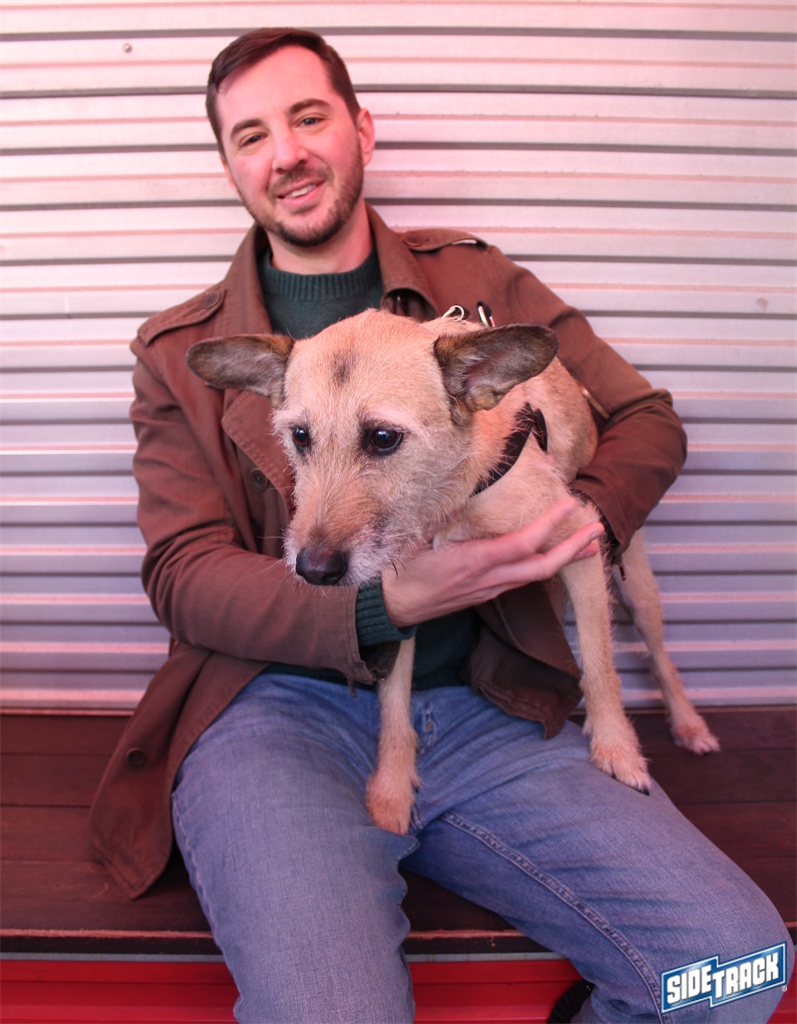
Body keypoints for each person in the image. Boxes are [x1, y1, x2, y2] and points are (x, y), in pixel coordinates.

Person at [89, 28, 792, 1024]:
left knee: (734, 969)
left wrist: (562, 522)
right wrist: (384, 603)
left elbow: (644, 418)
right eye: (250, 135)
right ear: (229, 165)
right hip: (275, 712)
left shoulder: (480, 287)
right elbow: (182, 572)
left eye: (308, 117)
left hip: (491, 704)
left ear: (361, 129)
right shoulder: (181, 351)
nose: (285, 152)